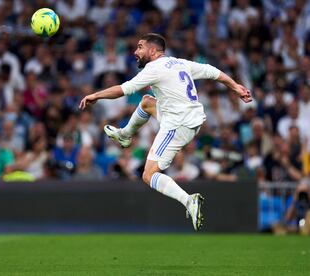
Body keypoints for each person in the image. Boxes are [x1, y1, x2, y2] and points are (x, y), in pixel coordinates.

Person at [79, 33, 252, 231]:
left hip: (177, 125)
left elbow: (122, 89)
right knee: (147, 102)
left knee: (148, 174)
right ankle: (125, 135)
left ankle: (188, 200)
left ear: (153, 51)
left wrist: (96, 95)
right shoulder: (177, 63)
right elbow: (211, 71)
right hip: (188, 117)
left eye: (140, 47)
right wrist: (235, 86)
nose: (135, 52)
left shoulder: (154, 68)